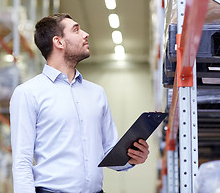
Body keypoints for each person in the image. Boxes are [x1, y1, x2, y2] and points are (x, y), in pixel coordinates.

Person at [10, 13, 150, 193]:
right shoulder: (28, 93)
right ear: (58, 42)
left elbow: (109, 151)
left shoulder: (96, 93)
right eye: (76, 30)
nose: (85, 34)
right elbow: (22, 161)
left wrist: (131, 157)